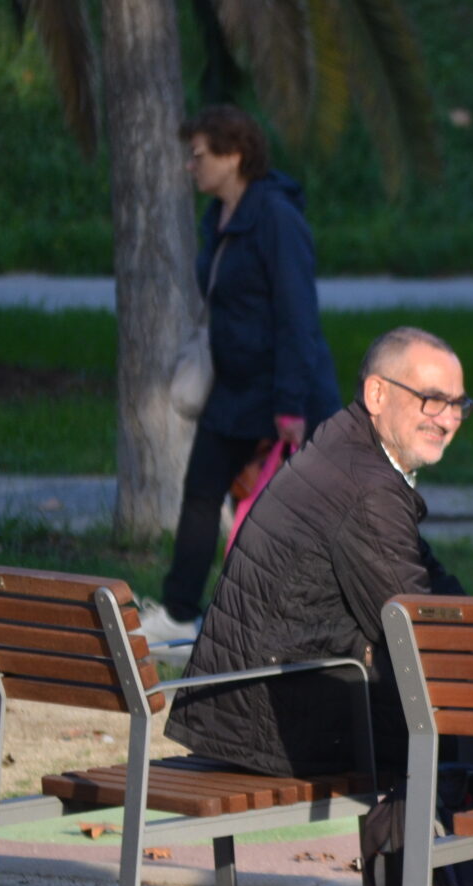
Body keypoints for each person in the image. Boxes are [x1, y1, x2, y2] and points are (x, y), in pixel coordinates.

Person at [165, 326, 468, 778]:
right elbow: (417, 629)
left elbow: (421, 575)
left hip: (247, 707)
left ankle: (415, 845)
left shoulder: (343, 446)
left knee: (461, 716)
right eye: (432, 399)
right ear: (377, 393)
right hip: (271, 726)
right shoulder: (366, 487)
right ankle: (420, 847)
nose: (445, 419)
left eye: (458, 405)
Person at [140, 105, 343, 646]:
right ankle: (182, 613)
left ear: (234, 155)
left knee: (287, 514)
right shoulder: (220, 217)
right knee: (204, 491)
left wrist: (291, 406)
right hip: (233, 390)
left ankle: (300, 621)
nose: (191, 166)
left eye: (200, 155)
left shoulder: (276, 217)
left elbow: (299, 316)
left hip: (281, 393)